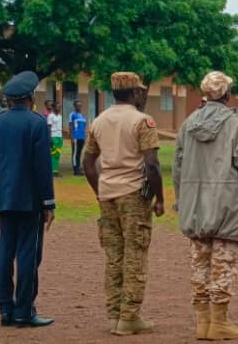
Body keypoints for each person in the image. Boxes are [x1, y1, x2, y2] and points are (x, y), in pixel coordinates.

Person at [173, 71, 238, 340]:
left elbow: (177, 168)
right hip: (227, 204)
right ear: (226, 94)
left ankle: (203, 322)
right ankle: (220, 321)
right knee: (223, 264)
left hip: (195, 205)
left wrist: (183, 199)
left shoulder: (188, 124)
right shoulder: (237, 125)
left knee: (199, 264)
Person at [83, 72, 165, 336]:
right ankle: (130, 316)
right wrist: (159, 198)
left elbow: (87, 162)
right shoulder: (143, 121)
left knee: (114, 256)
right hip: (133, 195)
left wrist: (100, 190)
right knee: (135, 255)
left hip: (107, 195)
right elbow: (152, 165)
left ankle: (115, 314)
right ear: (135, 93)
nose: (142, 95)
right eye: (141, 91)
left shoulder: (98, 121)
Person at [0, 71, 56, 328]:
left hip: (3, 198)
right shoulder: (37, 124)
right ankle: (24, 310)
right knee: (28, 255)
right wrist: (48, 203)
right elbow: (42, 168)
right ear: (30, 97)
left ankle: (6, 310)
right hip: (30, 201)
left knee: (5, 253)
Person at [69, 101, 87, 176]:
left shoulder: (83, 116)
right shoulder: (72, 115)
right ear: (75, 106)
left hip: (81, 137)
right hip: (76, 137)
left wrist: (85, 137)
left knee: (79, 153)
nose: (79, 107)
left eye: (80, 106)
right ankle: (75, 170)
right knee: (75, 153)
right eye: (78, 106)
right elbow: (71, 125)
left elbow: (84, 128)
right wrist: (72, 136)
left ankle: (78, 168)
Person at [47, 103, 63, 177]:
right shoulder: (51, 116)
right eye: (58, 107)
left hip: (59, 136)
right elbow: (49, 128)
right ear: (53, 108)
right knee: (53, 154)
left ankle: (55, 170)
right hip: (54, 136)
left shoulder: (60, 116)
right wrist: (50, 138)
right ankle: (52, 171)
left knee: (57, 154)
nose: (59, 108)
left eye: (60, 107)